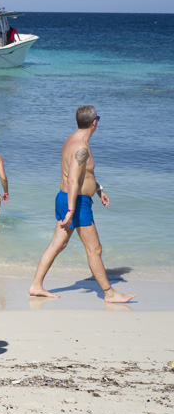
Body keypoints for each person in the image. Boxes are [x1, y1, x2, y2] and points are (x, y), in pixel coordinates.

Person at [29, 107, 135, 302]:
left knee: (57, 244)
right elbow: (73, 180)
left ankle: (36, 285)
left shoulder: (72, 140)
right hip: (76, 202)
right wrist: (71, 210)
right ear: (94, 122)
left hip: (65, 197)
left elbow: (84, 175)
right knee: (95, 249)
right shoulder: (82, 148)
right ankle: (109, 293)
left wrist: (99, 189)